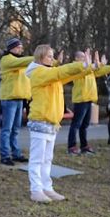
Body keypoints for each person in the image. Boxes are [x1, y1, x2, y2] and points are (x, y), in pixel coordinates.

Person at [25, 45, 93, 203]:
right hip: (40, 121)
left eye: (52, 55)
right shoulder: (39, 72)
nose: (52, 59)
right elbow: (60, 71)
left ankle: (47, 188)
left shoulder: (49, 73)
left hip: (51, 123)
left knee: (47, 158)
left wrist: (90, 67)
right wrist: (81, 64)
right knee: (37, 159)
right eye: (49, 56)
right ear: (41, 57)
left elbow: (69, 75)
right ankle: (36, 190)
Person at [67, 52, 110, 155]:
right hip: (81, 100)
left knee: (84, 125)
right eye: (83, 57)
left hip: (89, 99)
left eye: (86, 57)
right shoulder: (75, 68)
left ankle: (84, 146)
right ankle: (71, 146)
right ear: (76, 58)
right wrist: (96, 64)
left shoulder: (89, 69)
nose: (86, 59)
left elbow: (99, 71)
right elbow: (87, 69)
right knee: (76, 124)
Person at [0, 38, 33, 166]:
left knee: (16, 129)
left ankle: (16, 153)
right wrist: (39, 56)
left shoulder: (20, 62)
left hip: (19, 98)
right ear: (11, 48)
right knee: (7, 129)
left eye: (21, 47)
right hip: (9, 98)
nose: (20, 49)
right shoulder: (7, 59)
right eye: (18, 47)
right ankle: (5, 155)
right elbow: (23, 61)